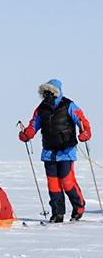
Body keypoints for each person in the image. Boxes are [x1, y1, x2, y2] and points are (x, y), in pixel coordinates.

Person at [18, 79, 92, 223]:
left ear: (56, 92)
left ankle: (79, 207)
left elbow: (83, 122)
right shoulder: (41, 109)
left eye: (50, 92)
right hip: (49, 152)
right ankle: (57, 213)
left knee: (67, 181)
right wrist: (26, 135)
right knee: (53, 184)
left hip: (66, 151)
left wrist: (85, 134)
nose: (47, 95)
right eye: (45, 93)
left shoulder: (69, 105)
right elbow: (34, 125)